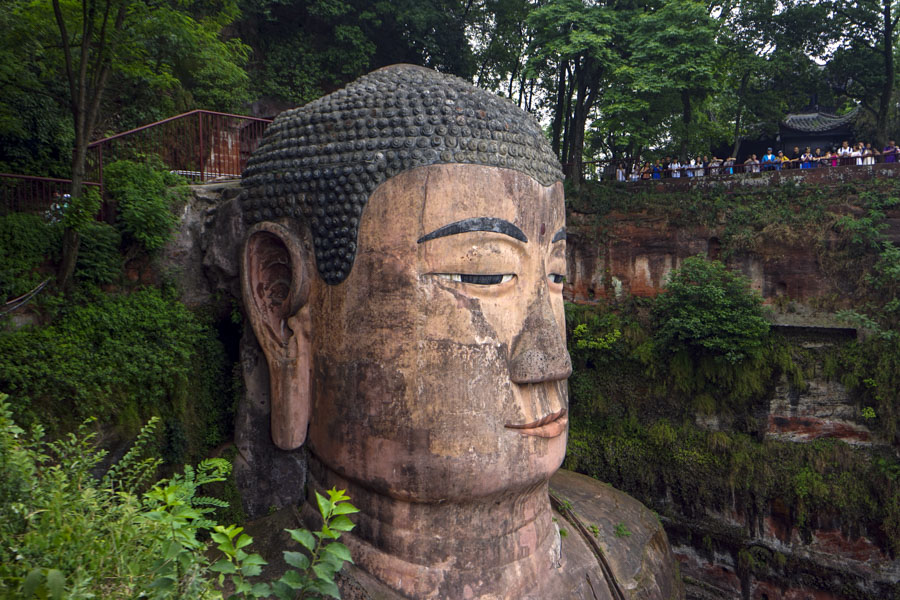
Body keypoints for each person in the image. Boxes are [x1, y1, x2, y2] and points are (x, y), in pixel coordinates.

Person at [238, 64, 681, 600]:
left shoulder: (633, 548)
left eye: (557, 276)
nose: (552, 360)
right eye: (485, 274)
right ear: (282, 307)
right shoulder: (229, 587)